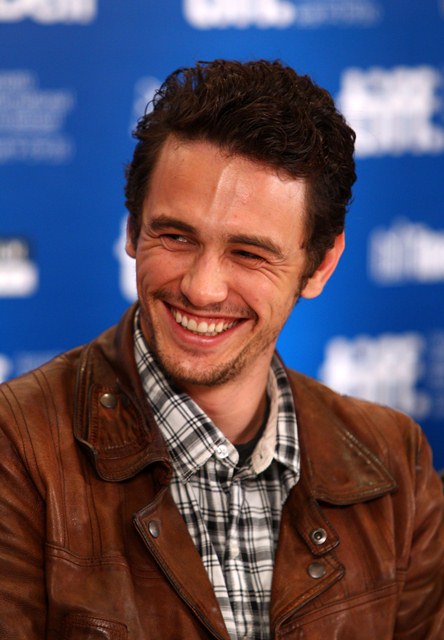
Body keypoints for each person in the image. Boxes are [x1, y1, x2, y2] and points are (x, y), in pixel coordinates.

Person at [0, 59, 442, 640]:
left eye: (249, 254)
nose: (202, 288)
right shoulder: (16, 448)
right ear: (132, 231)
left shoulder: (396, 461)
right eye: (176, 236)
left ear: (320, 265)